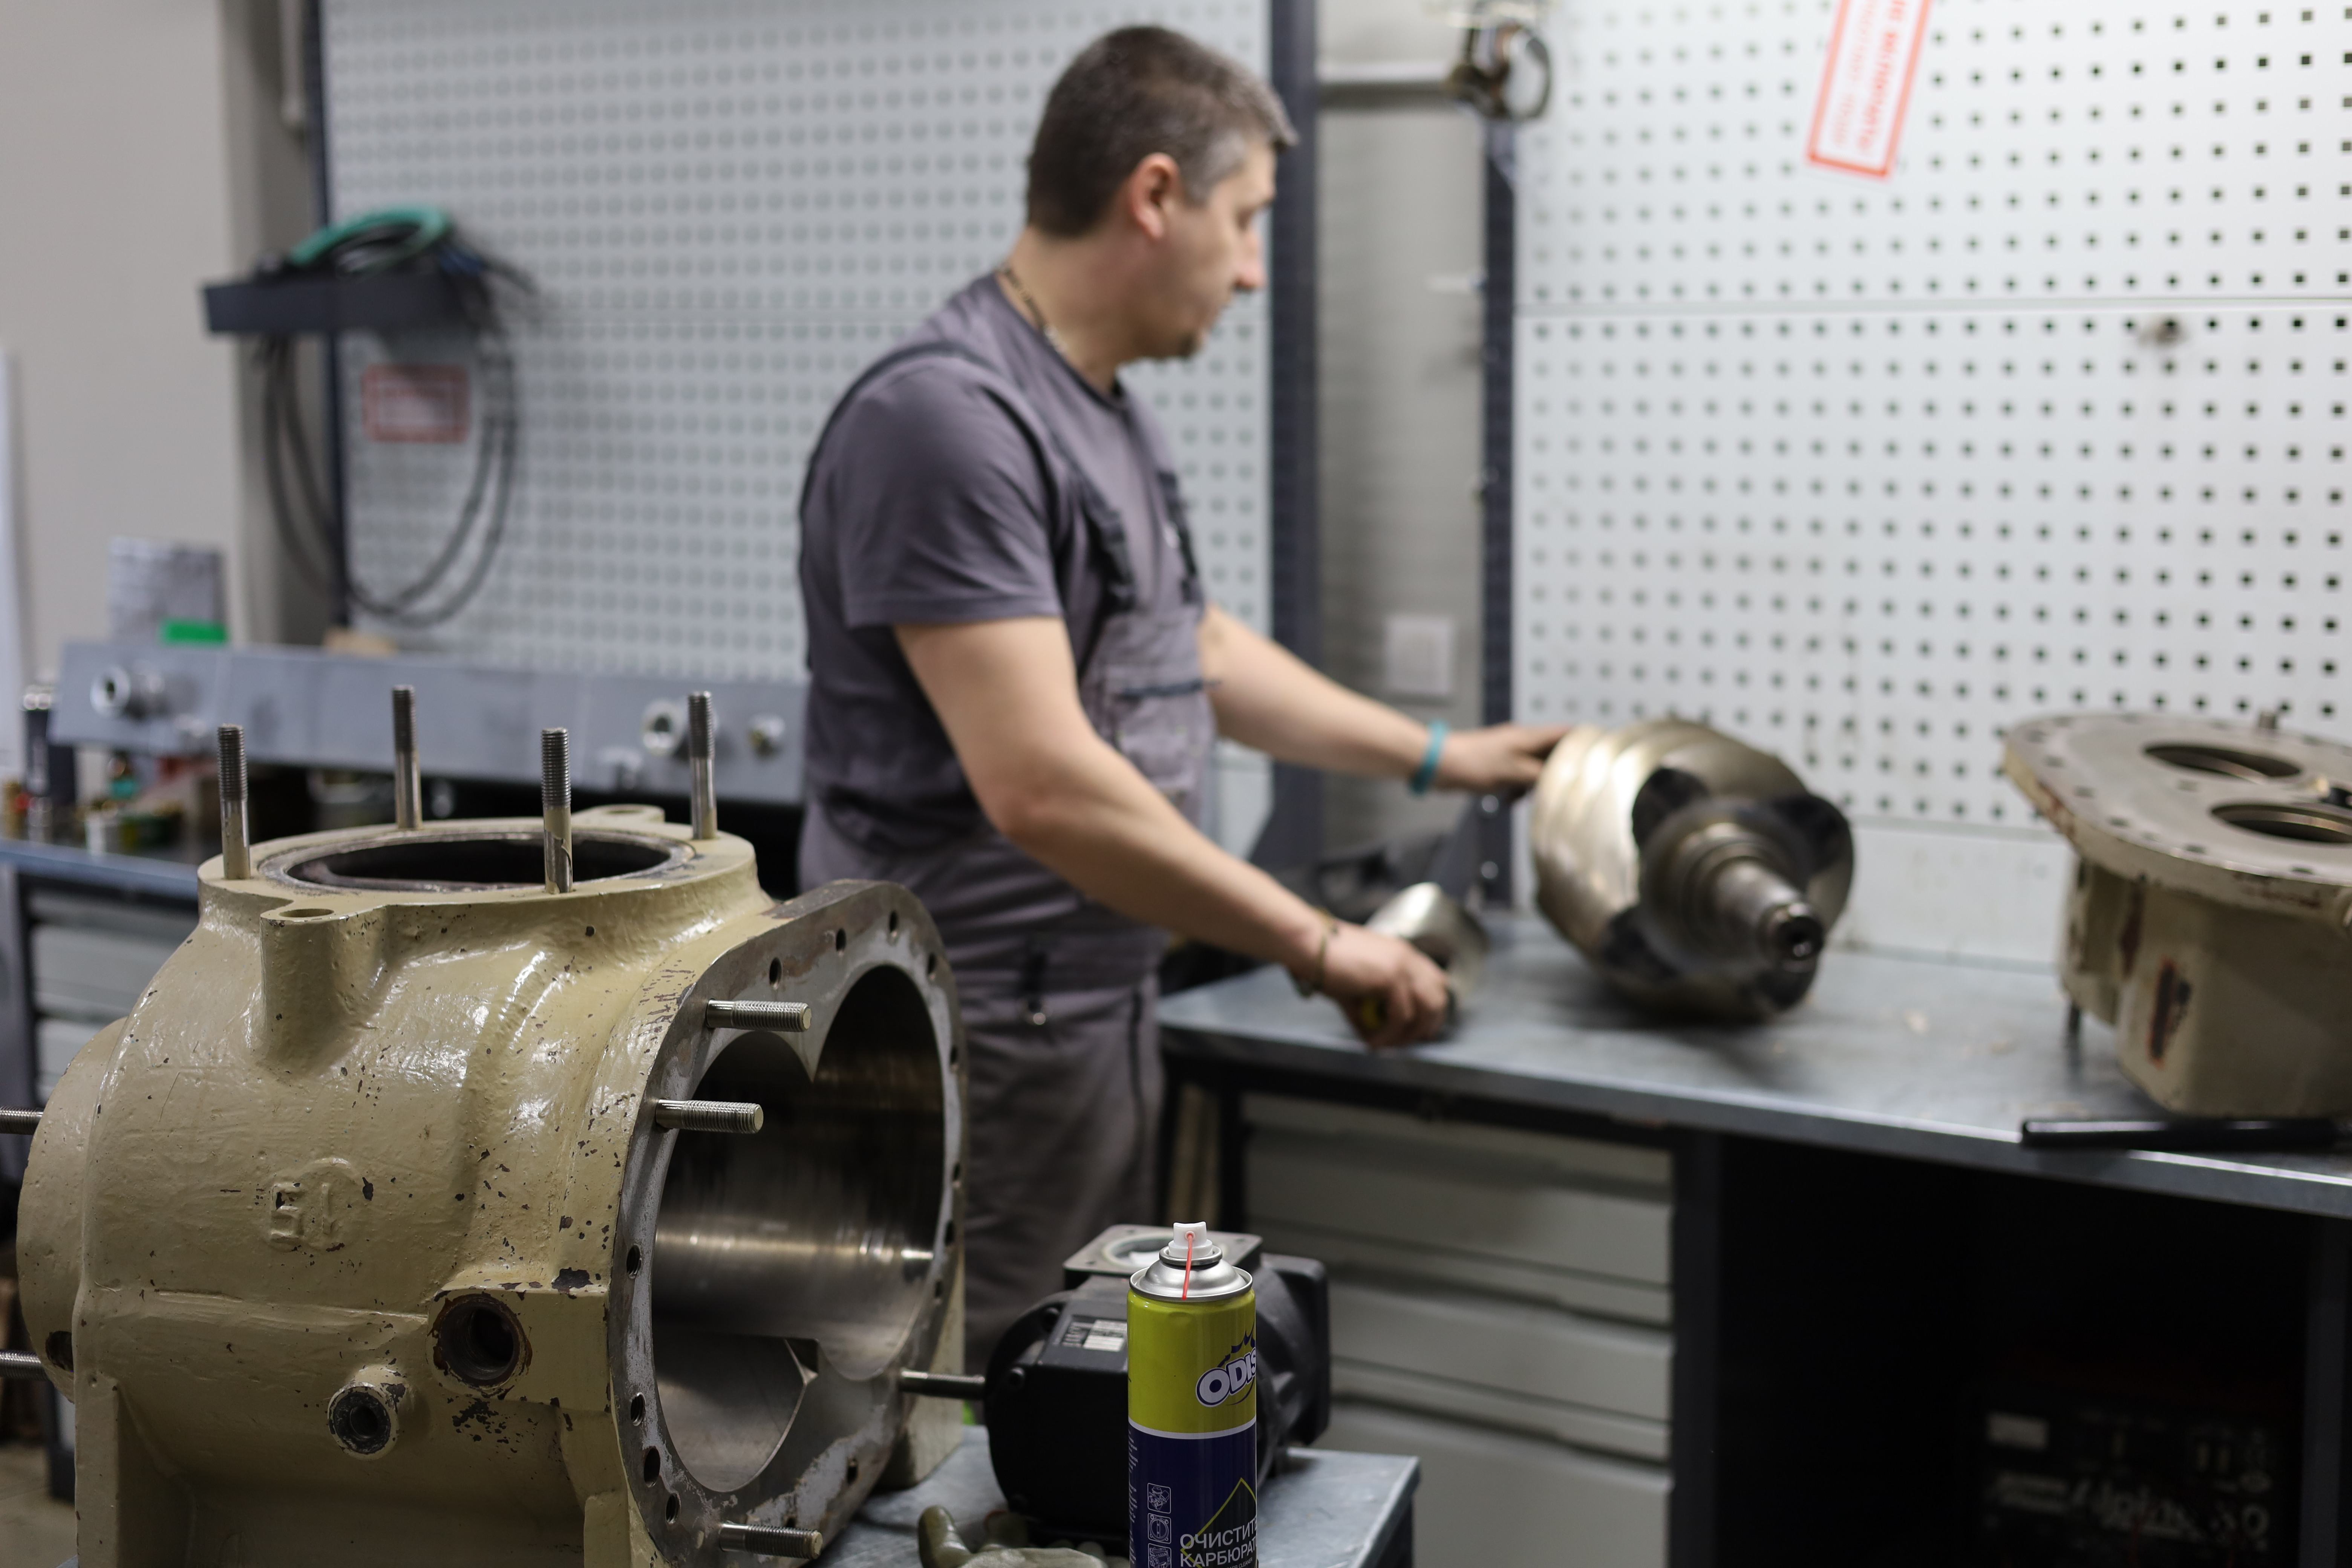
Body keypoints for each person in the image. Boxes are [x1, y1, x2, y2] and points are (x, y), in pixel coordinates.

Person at [796, 26, 1565, 1365]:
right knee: (982, 1401)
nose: (1255, 269)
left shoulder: (1101, 409)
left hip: (1080, 1012)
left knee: (1073, 1388)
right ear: (1155, 196)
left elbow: (1192, 647)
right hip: (970, 1031)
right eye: (1247, 219)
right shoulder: (947, 424)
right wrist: (1320, 947)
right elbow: (1040, 784)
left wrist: (1444, 755)